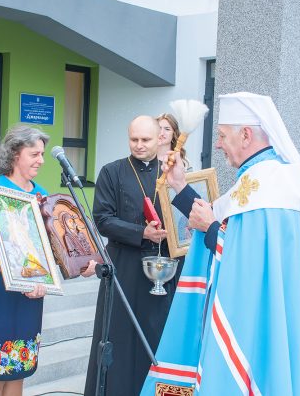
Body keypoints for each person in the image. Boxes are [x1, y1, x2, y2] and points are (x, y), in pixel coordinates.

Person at [141, 92, 300, 395]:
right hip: (253, 308)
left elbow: (245, 259)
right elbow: (216, 220)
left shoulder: (271, 185)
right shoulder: (257, 179)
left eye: (222, 135)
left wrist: (210, 226)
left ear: (246, 134)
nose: (217, 143)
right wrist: (179, 185)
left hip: (256, 315)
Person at [84, 115, 179, 396]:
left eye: (145, 140)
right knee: (119, 338)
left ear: (159, 138)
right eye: (134, 139)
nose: (139, 145)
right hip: (123, 268)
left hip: (163, 269)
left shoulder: (170, 174)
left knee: (157, 336)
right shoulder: (111, 172)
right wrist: (141, 233)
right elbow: (102, 219)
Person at [0, 125, 50, 396]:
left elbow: (47, 247)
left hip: (32, 290)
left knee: (18, 370)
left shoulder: (41, 193)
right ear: (15, 153)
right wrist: (22, 281)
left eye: (42, 154)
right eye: (34, 154)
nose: (41, 160)